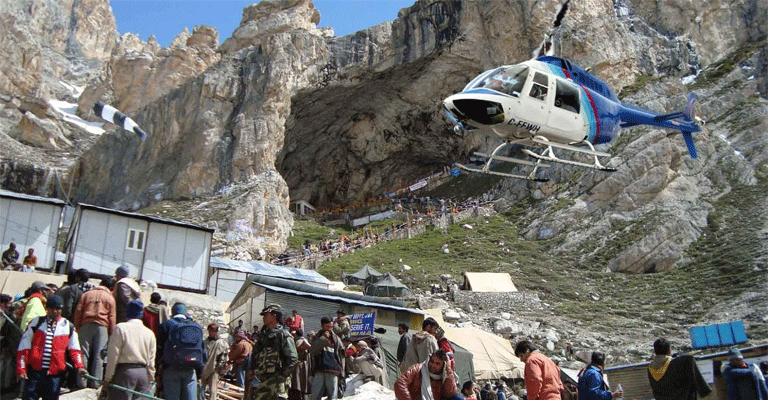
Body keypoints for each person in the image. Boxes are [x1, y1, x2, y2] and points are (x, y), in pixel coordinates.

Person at [16, 294, 87, 400]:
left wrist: (79, 366)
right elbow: (23, 347)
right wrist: (21, 369)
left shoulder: (68, 326)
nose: (55, 311)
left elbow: (75, 349)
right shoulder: (36, 323)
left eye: (58, 308)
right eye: (52, 308)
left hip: (55, 374)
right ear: (47, 309)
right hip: (35, 371)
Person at [104, 300, 156, 400]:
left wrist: (108, 378)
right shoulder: (149, 333)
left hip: (125, 373)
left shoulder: (120, 328)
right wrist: (150, 379)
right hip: (143, 375)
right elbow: (151, 361)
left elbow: (113, 355)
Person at [246, 304, 297, 400]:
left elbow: (293, 359)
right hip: (263, 379)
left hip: (278, 381)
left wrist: (282, 376)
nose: (264, 317)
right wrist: (252, 370)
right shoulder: (263, 336)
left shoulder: (283, 335)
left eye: (266, 314)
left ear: (274, 316)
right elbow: (255, 354)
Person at [73, 276, 116, 387]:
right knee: (99, 356)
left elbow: (78, 311)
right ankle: (95, 383)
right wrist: (111, 332)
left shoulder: (86, 295)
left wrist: (77, 327)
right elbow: (112, 317)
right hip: (102, 328)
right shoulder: (110, 298)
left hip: (86, 325)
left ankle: (81, 383)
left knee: (83, 354)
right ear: (111, 287)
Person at [158, 302, 206, 400]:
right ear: (185, 313)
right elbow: (202, 351)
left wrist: (158, 370)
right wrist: (200, 373)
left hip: (171, 369)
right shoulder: (195, 326)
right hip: (191, 369)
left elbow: (159, 348)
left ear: (173, 312)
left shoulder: (166, 325)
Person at [647, 338, 712, 400]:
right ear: (669, 351)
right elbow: (687, 359)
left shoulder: (650, 369)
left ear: (655, 352)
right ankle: (704, 391)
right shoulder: (681, 362)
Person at [394, 349, 459, 400]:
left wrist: (449, 370)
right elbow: (400, 383)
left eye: (437, 364)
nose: (433, 365)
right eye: (432, 361)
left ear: (443, 366)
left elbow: (452, 393)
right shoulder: (418, 369)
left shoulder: (444, 376)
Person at [310, 315, 344, 400]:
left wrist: (342, 371)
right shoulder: (317, 337)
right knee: (315, 395)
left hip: (333, 370)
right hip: (319, 370)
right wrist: (323, 338)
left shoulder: (336, 338)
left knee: (333, 396)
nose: (329, 329)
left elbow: (341, 354)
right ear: (322, 326)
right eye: (327, 326)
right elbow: (313, 351)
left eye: (331, 326)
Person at [202, 323, 230, 400]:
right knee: (201, 390)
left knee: (213, 391)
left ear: (217, 331)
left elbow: (223, 358)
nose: (211, 333)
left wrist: (220, 370)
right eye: (210, 331)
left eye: (213, 331)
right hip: (204, 368)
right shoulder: (204, 342)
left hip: (215, 369)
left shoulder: (221, 343)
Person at [290, 329, 311, 400]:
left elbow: (296, 353)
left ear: (296, 335)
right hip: (306, 365)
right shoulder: (306, 341)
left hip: (299, 365)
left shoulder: (298, 341)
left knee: (297, 383)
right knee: (304, 384)